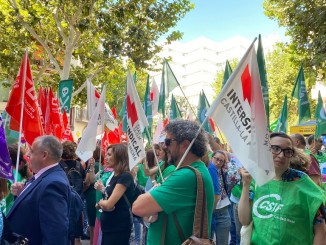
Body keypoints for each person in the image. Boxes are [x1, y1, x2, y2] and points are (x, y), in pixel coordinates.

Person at [132, 120, 214, 244]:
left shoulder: (186, 175)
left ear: (185, 145)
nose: (164, 147)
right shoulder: (194, 170)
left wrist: (149, 209)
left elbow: (137, 207)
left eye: (168, 142)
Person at [238, 132, 326, 245]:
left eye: (287, 151)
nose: (281, 155)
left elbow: (321, 231)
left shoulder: (304, 183)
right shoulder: (255, 179)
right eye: (275, 148)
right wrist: (246, 185)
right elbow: (244, 220)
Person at [8, 135, 70, 245]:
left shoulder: (53, 183)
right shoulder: (46, 176)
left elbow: (55, 234)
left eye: (31, 151)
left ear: (44, 155)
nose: (27, 155)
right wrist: (21, 194)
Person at [96, 143, 134, 245]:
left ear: (119, 156)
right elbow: (108, 198)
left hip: (118, 228)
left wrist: (100, 203)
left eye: (109, 155)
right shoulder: (114, 175)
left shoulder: (125, 176)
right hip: (109, 226)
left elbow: (109, 204)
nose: (106, 158)